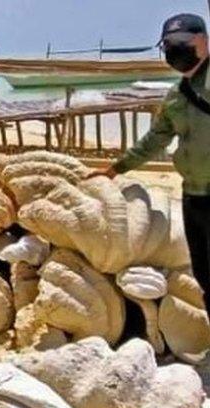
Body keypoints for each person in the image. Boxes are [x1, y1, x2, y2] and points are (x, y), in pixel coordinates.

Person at [92, 13, 210, 320]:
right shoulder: (177, 96)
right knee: (205, 276)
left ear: (202, 41)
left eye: (181, 43)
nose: (174, 51)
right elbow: (154, 140)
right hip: (194, 196)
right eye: (168, 45)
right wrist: (116, 169)